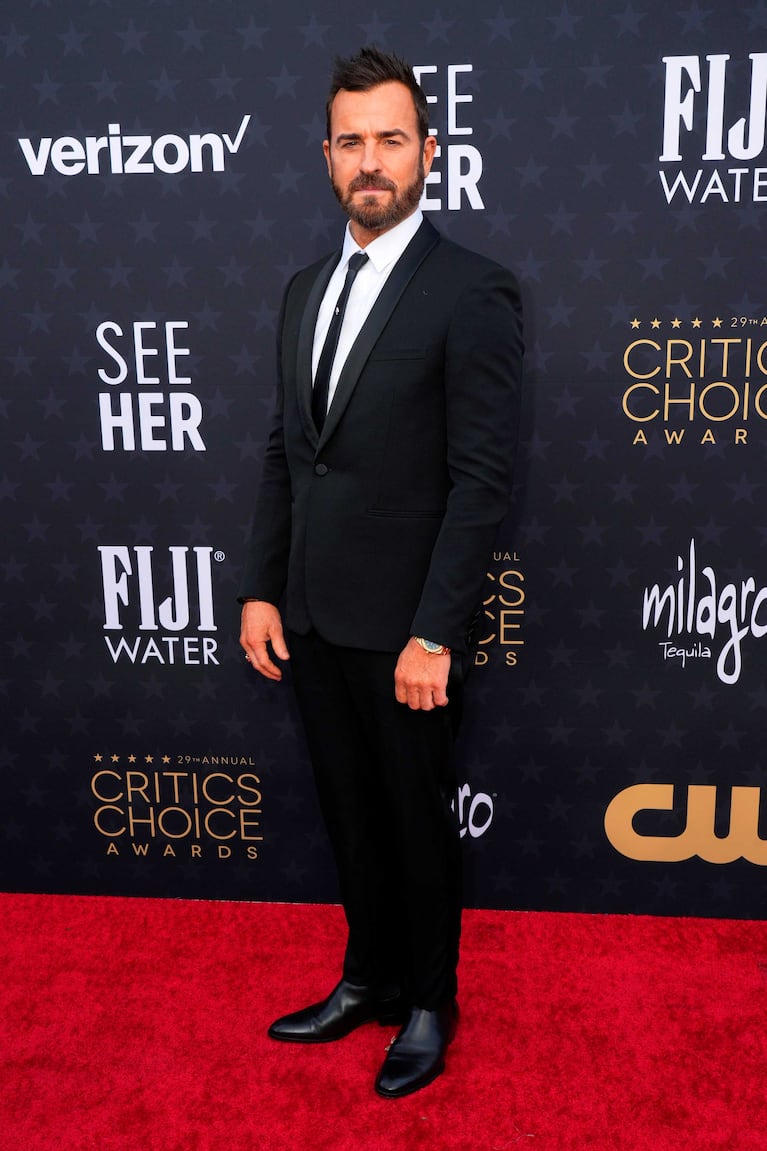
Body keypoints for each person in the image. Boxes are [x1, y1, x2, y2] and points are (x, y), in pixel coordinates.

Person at [239, 46, 523, 1098]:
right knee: (349, 813)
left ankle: (428, 1000)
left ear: (427, 152)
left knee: (414, 820)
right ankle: (365, 976)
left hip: (409, 630)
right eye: (351, 141)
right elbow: (287, 450)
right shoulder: (302, 288)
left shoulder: (472, 290)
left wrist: (436, 632)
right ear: (325, 157)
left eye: (390, 139)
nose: (371, 161)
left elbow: (483, 481)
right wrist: (261, 587)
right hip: (311, 618)